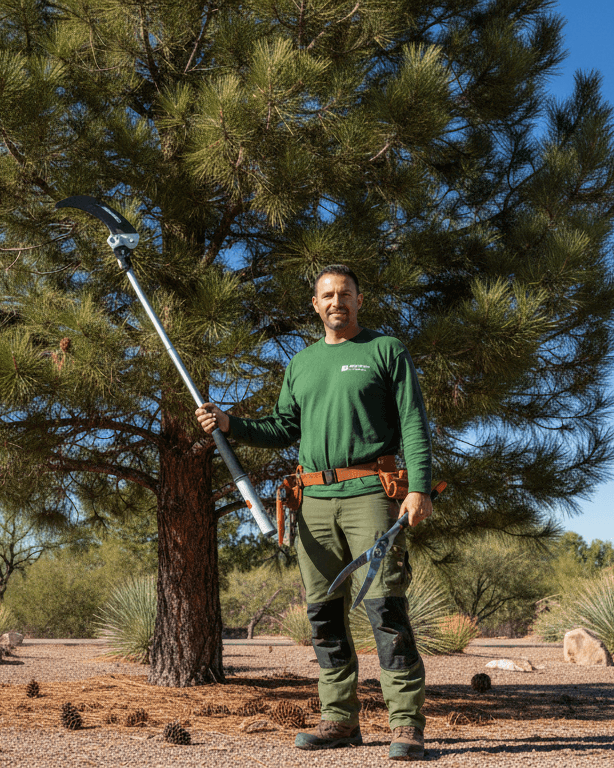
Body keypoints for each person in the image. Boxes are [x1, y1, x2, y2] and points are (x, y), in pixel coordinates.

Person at [195, 264, 433, 761]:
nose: (336, 302)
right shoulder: (301, 364)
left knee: (385, 608)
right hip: (313, 503)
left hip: (371, 493)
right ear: (315, 304)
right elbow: (283, 427)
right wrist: (230, 422)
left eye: (345, 293)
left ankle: (406, 725)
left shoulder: (385, 350)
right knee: (323, 613)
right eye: (327, 295)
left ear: (360, 300)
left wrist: (419, 488)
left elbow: (413, 421)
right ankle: (339, 719)